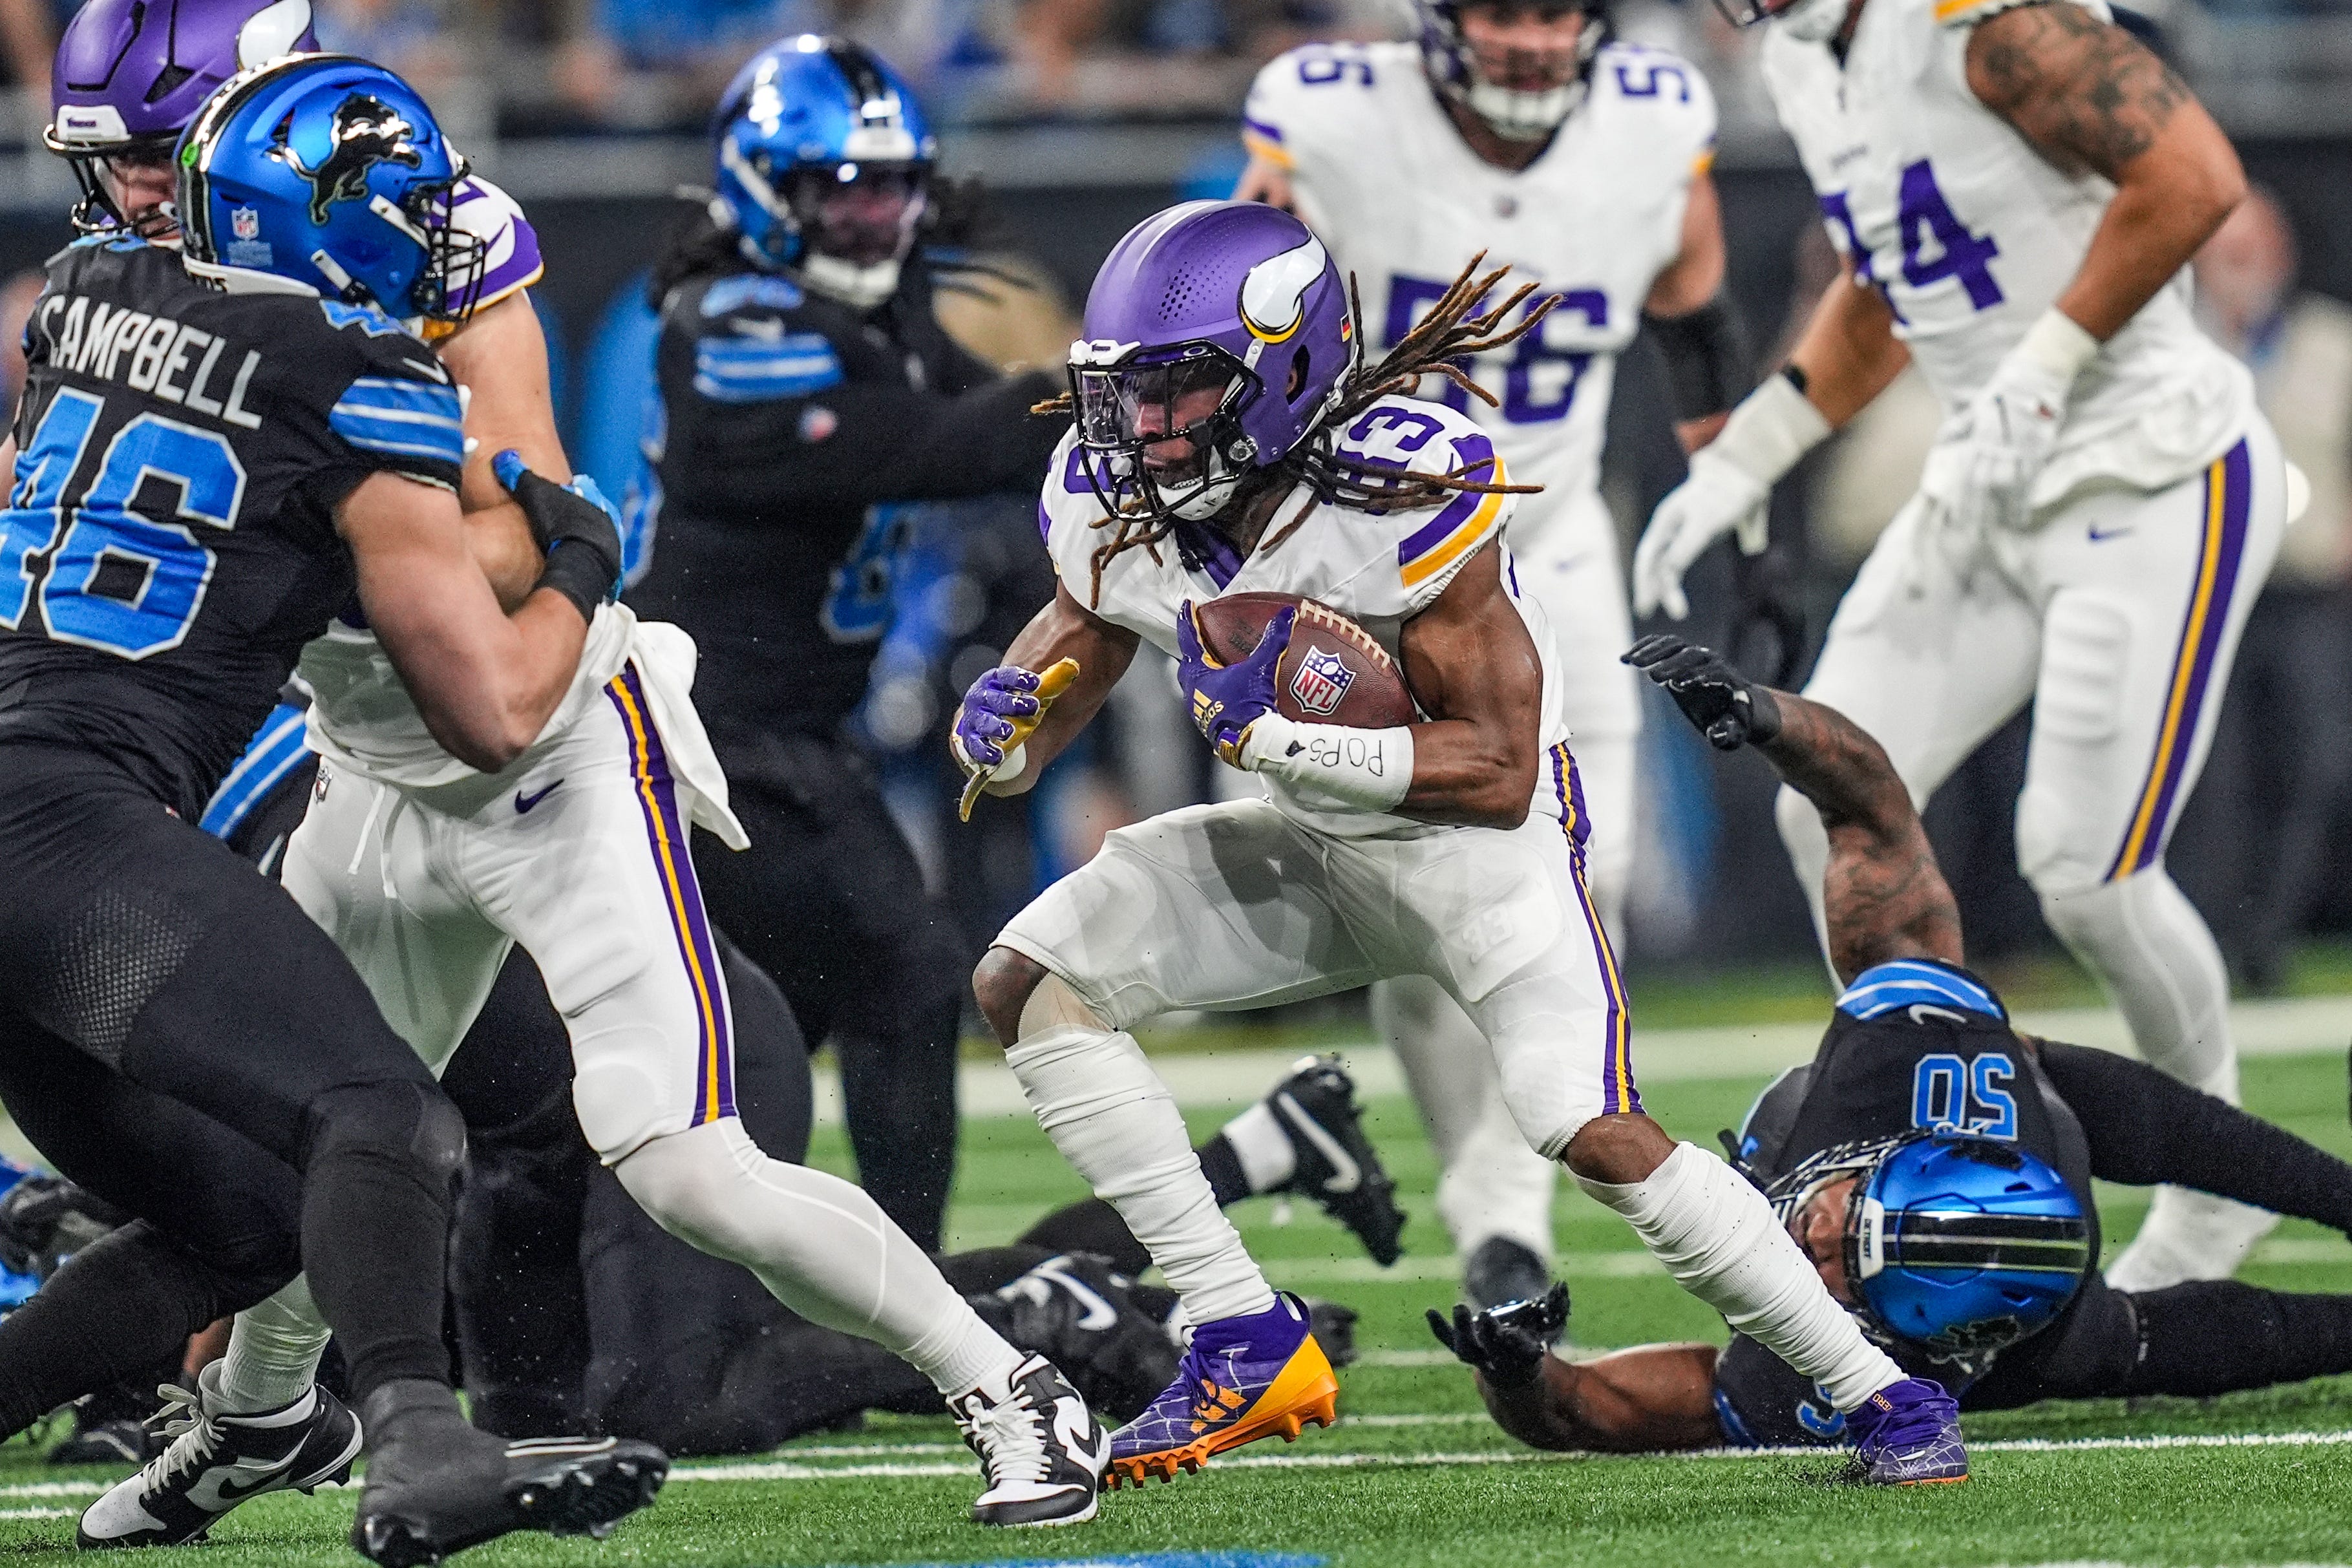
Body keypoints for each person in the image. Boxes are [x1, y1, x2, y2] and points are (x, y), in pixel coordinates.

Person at [105, 50, 1110, 1547]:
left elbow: (527, 535)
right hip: (370, 768)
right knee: (313, 1132)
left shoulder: (435, 286)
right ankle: (256, 1413)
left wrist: (333, 538)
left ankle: (1010, 1382)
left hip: (552, 760)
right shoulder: (184, 304)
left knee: (681, 1154)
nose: (184, 249)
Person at [949, 198, 1966, 1489]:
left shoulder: (1399, 489)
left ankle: (1882, 1394)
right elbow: (1079, 635)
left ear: (1284, 370)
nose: (1143, 428)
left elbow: (1494, 768)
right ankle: (1237, 1330)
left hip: (1476, 853)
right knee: (1029, 980)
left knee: (1589, 1128)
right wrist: (1007, 725)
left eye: (1177, 391)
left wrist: (1291, 741)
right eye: (1126, 394)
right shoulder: (1113, 494)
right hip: (1315, 847)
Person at [0, 43, 666, 1568]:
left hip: (32, 785)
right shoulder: (357, 378)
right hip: (65, 813)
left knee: (244, 1220)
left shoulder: (87, 284)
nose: (433, 234)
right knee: (381, 1111)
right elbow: (492, 710)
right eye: (410, 206)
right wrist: (582, 556)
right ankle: (422, 1443)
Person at [1630, 0, 2287, 1290]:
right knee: (1823, 804)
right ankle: (1930, 1135)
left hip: (2149, 470)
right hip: (1988, 480)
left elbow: (2194, 178)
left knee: (2085, 873)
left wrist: (2044, 363)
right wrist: (1748, 454)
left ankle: (2218, 1186)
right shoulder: (1801, 55)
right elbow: (1895, 281)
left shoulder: (1978, 24)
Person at [1428, 634, 2352, 1452]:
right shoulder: (1915, 1060)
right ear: (1898, 1153)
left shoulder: (1976, 1354)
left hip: (2055, 1326)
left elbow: (1594, 1410)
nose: (1813, 1237)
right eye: (1851, 1215)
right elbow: (1869, 805)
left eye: (1846, 1270)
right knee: (2171, 1128)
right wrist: (1767, 717)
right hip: (2024, 1096)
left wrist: (1518, 1370)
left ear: (1896, 1330)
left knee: (2192, 1345)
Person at [1230, 0, 1750, 1309]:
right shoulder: (1332, 114)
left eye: (1555, 9)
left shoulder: (1652, 122)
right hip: (1368, 560)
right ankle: (1496, 1215)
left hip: (1550, 538)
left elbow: (1693, 316)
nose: (1531, 38)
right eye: (1502, 9)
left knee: (1591, 874)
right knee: (1407, 902)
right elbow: (1234, 303)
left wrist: (1737, 500)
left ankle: (1501, 1213)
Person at [626, 34, 1071, 1253]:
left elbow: (992, 423)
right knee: (900, 979)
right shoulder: (735, 320)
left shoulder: (874, 311)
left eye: (890, 190)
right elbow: (938, 444)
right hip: (709, 739)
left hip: (779, 738)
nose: (872, 220)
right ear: (764, 188)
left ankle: (763, 1285)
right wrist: (1107, 384)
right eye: (840, 191)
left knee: (786, 1026)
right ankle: (888, 1289)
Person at [2185, 187, 2352, 992]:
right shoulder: (2176, 351)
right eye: (2227, 251)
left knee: (2312, 763)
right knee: (2212, 774)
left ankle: (2270, 935)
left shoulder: (2331, 345)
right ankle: (2211, 936)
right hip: (2208, 594)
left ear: (2282, 255)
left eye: (2254, 249)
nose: (2243, 266)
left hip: (2305, 595)